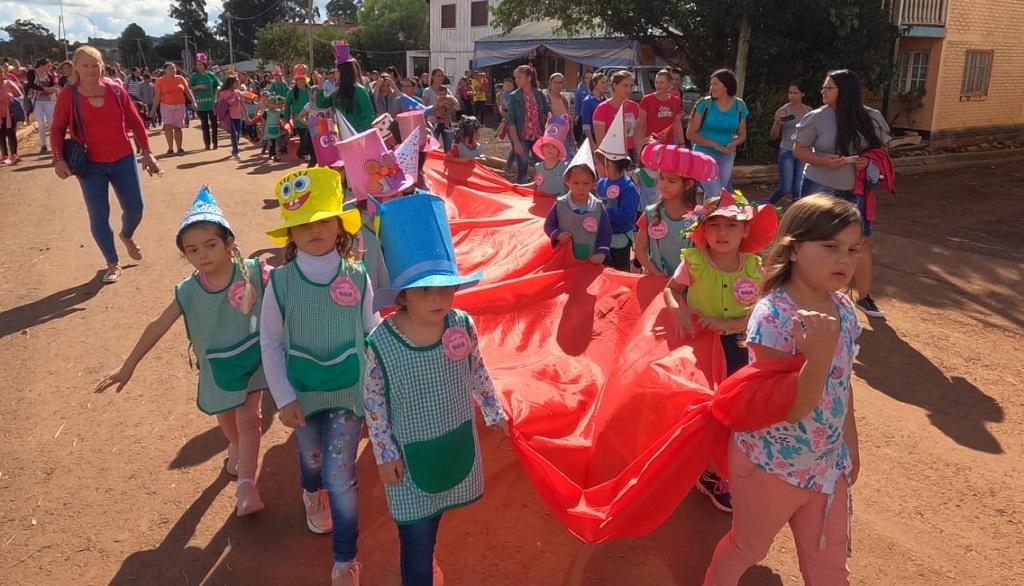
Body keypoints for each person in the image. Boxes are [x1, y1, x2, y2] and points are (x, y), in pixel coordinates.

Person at [703, 194, 863, 586]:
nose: (844, 259)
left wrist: (851, 447)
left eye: (852, 249)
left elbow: (843, 386)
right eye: (830, 246)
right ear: (793, 250)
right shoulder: (772, 317)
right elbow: (790, 406)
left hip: (827, 466)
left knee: (829, 566)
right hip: (769, 465)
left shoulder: (843, 307)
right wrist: (819, 356)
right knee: (748, 547)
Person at [95, 186, 268, 516]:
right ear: (185, 255)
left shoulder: (253, 272)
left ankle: (246, 485)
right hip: (216, 369)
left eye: (210, 244)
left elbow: (290, 288)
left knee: (249, 421)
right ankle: (234, 446)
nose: (202, 254)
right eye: (192, 250)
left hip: (252, 361)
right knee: (229, 424)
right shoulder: (189, 290)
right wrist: (128, 365)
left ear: (229, 243)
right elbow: (158, 324)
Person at [364, 193, 509, 586]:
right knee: (414, 534)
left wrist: (493, 409)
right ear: (402, 294)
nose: (440, 298)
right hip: (407, 456)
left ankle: (427, 561)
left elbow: (476, 368)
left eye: (447, 288)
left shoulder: (459, 322)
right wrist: (384, 452)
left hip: (453, 444)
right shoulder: (383, 341)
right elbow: (373, 402)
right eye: (425, 290)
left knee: (436, 518)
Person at [259, 168, 377, 586]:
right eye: (303, 224)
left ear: (339, 226)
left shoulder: (358, 275)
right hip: (302, 395)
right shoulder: (282, 284)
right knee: (311, 462)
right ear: (290, 233)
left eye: (323, 219)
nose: (314, 230)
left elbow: (371, 331)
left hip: (349, 392)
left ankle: (345, 559)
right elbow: (270, 342)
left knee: (339, 474)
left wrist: (384, 376)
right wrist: (284, 397)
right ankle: (311, 493)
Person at [665, 190, 777, 514]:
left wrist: (729, 321)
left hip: (741, 348)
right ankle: (708, 471)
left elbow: (762, 311)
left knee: (735, 411)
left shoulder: (756, 267)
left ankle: (722, 470)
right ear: (702, 232)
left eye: (731, 225)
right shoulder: (694, 261)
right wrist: (678, 310)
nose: (722, 233)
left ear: (745, 231)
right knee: (701, 407)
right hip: (699, 348)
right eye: (714, 226)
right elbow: (670, 290)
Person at [50, 45, 161, 283]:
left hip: (123, 159)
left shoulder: (116, 90)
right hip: (90, 166)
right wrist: (58, 160)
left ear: (102, 65)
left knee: (135, 208)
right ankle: (112, 263)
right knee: (99, 215)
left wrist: (147, 152)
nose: (90, 70)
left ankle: (127, 235)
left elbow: (134, 120)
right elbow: (57, 128)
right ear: (76, 68)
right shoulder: (68, 96)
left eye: (95, 65)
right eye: (85, 65)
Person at [794, 69, 891, 319]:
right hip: (818, 184)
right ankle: (801, 291)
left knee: (860, 241)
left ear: (845, 91)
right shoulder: (816, 117)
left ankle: (864, 297)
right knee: (811, 238)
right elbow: (800, 150)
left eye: (829, 88)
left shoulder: (871, 117)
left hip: (854, 188)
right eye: (824, 87)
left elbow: (881, 149)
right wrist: (824, 160)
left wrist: (866, 162)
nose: (823, 92)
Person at [633, 142, 718, 276]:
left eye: (672, 181)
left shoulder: (698, 218)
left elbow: (702, 254)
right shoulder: (650, 214)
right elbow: (639, 249)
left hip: (687, 285)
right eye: (661, 178)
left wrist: (682, 280)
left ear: (688, 184)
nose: (664, 185)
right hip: (656, 282)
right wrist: (656, 273)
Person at [544, 138, 612, 263]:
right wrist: (557, 234)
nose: (581, 187)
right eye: (576, 183)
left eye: (586, 183)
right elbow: (548, 225)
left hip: (590, 261)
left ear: (593, 184)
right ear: (567, 182)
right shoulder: (561, 204)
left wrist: (602, 252)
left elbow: (605, 232)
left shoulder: (597, 207)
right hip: (563, 260)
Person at [686, 69, 748, 197]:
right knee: (715, 193)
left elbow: (742, 134)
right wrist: (714, 145)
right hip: (704, 155)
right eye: (711, 84)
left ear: (726, 86)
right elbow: (690, 134)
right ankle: (707, 216)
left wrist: (733, 143)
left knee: (717, 195)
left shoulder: (740, 105)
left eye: (715, 84)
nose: (711, 87)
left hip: (726, 156)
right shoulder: (704, 104)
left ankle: (707, 216)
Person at [767, 82, 811, 204]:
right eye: (790, 93)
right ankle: (766, 206)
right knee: (785, 187)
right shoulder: (783, 111)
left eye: (795, 93)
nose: (792, 96)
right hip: (787, 150)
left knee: (798, 189)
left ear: (802, 94)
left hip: (802, 152)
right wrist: (777, 123)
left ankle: (795, 216)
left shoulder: (809, 111)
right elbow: (773, 136)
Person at [506, 65, 551, 184]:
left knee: (541, 166)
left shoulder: (539, 94)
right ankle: (522, 192)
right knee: (522, 167)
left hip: (538, 137)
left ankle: (541, 190)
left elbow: (549, 111)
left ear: (529, 78)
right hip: (522, 138)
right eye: (516, 78)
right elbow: (511, 121)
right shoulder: (514, 97)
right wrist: (516, 142)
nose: (517, 80)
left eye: (520, 77)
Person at [317, 42, 374, 134]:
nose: (334, 74)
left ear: (344, 73)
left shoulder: (360, 91)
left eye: (337, 71)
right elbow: (322, 104)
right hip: (342, 137)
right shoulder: (337, 92)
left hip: (356, 136)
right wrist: (320, 88)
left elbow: (368, 116)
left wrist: (359, 133)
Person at [593, 70, 640, 162]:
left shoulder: (634, 107)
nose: (629, 90)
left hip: (631, 154)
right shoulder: (602, 109)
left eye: (631, 86)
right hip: (611, 155)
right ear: (615, 85)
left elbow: (637, 136)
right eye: (625, 85)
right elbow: (600, 141)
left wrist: (639, 156)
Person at [153, 62, 194, 155]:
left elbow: (187, 91)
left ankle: (179, 148)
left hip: (180, 105)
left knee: (178, 127)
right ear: (165, 70)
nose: (173, 70)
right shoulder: (160, 81)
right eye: (170, 68)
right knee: (168, 126)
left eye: (174, 68)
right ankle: (170, 148)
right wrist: (153, 109)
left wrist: (193, 102)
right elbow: (157, 96)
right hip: (166, 106)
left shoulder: (180, 79)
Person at [525, 114, 569, 197]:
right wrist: (519, 187)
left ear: (559, 150)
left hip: (557, 203)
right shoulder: (539, 167)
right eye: (547, 146)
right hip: (542, 202)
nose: (550, 149)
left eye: (554, 147)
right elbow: (537, 184)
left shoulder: (564, 166)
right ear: (542, 149)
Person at [637, 69, 682, 145]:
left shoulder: (675, 101)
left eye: (662, 82)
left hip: (668, 143)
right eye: (656, 82)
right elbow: (640, 125)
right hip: (650, 143)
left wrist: (682, 143)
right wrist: (641, 144)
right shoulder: (647, 100)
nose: (658, 85)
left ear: (669, 84)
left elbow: (677, 124)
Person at [26, 59, 59, 154]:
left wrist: (52, 90)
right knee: (41, 123)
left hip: (48, 101)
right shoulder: (32, 73)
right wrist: (44, 89)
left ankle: (55, 144)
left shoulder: (49, 76)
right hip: (36, 100)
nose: (49, 67)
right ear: (41, 65)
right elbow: (30, 85)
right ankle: (43, 145)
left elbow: (53, 87)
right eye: (48, 65)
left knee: (51, 123)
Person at [190, 56, 221, 150]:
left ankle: (215, 143)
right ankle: (207, 144)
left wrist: (216, 93)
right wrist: (198, 86)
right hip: (201, 104)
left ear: (205, 65)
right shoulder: (194, 76)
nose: (198, 66)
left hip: (212, 103)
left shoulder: (210, 74)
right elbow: (189, 88)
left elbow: (219, 84)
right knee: (205, 125)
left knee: (214, 124)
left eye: (200, 64)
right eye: (197, 65)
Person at [287, 65, 314, 165]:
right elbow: (287, 105)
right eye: (299, 79)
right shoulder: (291, 92)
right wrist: (286, 119)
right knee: (303, 136)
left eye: (303, 79)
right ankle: (305, 154)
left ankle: (302, 152)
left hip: (310, 117)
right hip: (298, 118)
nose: (301, 81)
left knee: (309, 137)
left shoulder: (310, 89)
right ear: (296, 80)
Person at [217, 75, 249, 160]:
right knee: (234, 133)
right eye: (237, 82)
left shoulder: (238, 92)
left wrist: (246, 115)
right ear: (232, 83)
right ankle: (236, 151)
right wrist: (227, 103)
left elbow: (242, 103)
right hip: (229, 116)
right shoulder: (223, 93)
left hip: (238, 116)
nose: (238, 83)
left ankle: (234, 147)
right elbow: (219, 106)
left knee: (238, 134)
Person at [545, 73, 576, 158]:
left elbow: (568, 118)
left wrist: (572, 139)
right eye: (555, 82)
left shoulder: (564, 99)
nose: (558, 85)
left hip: (565, 137)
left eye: (560, 82)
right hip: (550, 137)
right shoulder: (545, 98)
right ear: (550, 83)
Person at [0, 70, 24, 164]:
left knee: (11, 134)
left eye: (1, 72)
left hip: (10, 113)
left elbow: (20, 96)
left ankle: (14, 155)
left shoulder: (9, 84)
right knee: (0, 135)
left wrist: (11, 101)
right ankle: (4, 155)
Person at [579, 73, 606, 146]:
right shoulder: (587, 101)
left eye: (605, 83)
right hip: (593, 137)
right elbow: (586, 125)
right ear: (594, 84)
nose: (604, 85)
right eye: (602, 82)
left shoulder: (605, 100)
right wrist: (592, 143)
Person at [262, 96, 285, 161]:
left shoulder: (279, 111)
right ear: (268, 104)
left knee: (274, 142)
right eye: (270, 103)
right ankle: (266, 149)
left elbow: (283, 118)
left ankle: (273, 154)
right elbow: (263, 122)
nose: (272, 105)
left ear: (276, 104)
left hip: (276, 129)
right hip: (268, 129)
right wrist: (262, 130)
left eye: (273, 103)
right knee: (268, 141)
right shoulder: (266, 112)